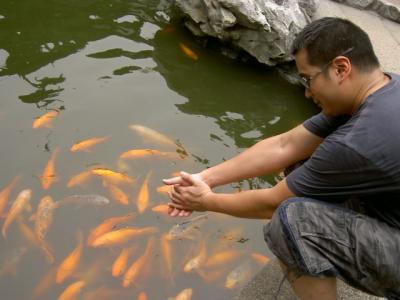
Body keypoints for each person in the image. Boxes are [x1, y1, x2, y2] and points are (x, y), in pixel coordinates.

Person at [163, 17, 400, 299]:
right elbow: (285, 145)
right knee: (301, 168)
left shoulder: (360, 140)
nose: (307, 91)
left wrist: (205, 202)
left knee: (291, 221)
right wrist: (205, 178)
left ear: (340, 68)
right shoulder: (386, 88)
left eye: (308, 78)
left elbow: (272, 203)